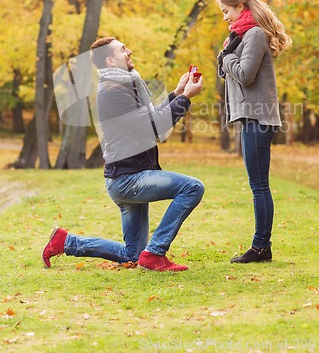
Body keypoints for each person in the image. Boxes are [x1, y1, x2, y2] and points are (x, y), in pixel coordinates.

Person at [42, 37, 204, 272]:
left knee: (133, 255)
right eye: (122, 49)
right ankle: (156, 253)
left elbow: (149, 120)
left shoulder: (125, 86)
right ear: (110, 60)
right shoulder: (113, 92)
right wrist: (185, 98)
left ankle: (66, 242)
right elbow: (155, 127)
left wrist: (177, 93)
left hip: (129, 176)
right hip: (128, 180)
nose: (130, 51)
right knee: (192, 188)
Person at [217, 0, 291, 263]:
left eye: (227, 11)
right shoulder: (242, 37)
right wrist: (228, 57)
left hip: (258, 118)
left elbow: (246, 74)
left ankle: (261, 247)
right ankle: (261, 246)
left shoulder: (255, 35)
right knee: (257, 184)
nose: (225, 17)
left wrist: (227, 58)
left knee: (259, 185)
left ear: (240, 6)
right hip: (251, 117)